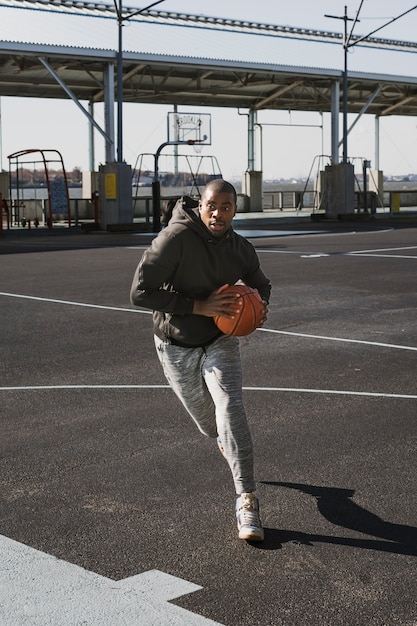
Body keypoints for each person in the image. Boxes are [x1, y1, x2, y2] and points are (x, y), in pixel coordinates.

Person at [130, 179, 271, 541]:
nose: (218, 213)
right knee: (210, 426)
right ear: (200, 206)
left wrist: (258, 306)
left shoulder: (240, 248)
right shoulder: (175, 240)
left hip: (219, 339)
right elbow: (139, 293)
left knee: (231, 408)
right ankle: (226, 441)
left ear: (235, 210)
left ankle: (247, 499)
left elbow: (261, 284)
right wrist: (199, 306)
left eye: (226, 207)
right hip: (176, 343)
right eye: (212, 206)